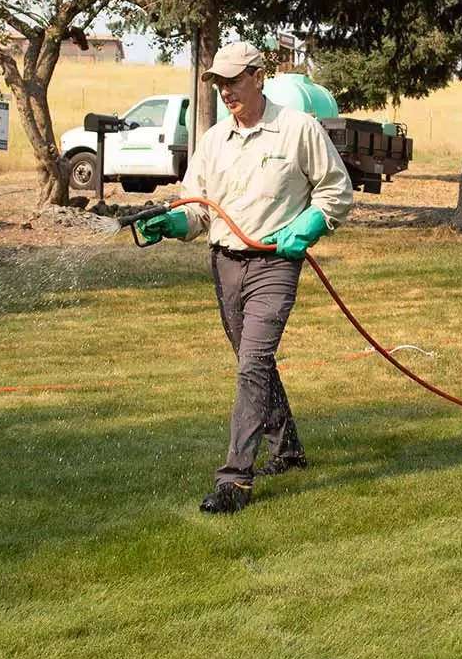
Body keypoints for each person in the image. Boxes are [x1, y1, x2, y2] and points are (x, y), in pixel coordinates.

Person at [133, 43, 354, 514]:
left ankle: (235, 480)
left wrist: (310, 224)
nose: (226, 90)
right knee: (254, 362)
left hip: (275, 264)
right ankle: (288, 450)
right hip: (225, 264)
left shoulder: (298, 129)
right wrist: (174, 223)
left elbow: (336, 190)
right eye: (220, 83)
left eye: (234, 80)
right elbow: (197, 208)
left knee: (252, 363)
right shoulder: (213, 141)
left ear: (259, 76)